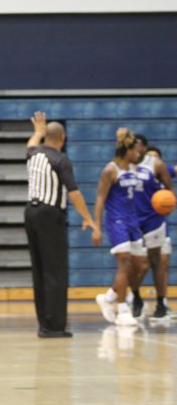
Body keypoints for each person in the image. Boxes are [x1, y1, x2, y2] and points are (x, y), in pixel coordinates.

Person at [24, 111, 98, 338]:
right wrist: (88, 218)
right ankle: (54, 326)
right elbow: (74, 192)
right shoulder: (60, 159)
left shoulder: (34, 154)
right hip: (49, 214)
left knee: (40, 270)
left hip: (30, 214)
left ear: (46, 136)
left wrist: (38, 132)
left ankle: (44, 323)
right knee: (55, 271)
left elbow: (31, 144)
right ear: (63, 138)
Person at [93, 128, 142, 327]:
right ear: (128, 151)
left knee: (140, 265)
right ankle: (122, 310)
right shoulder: (110, 170)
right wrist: (96, 227)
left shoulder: (134, 168)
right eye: (136, 151)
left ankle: (109, 297)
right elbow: (100, 198)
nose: (139, 154)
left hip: (133, 220)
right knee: (124, 263)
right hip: (117, 221)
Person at [128, 136, 174, 319]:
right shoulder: (123, 165)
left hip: (154, 219)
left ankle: (161, 303)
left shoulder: (156, 165)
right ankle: (135, 297)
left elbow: (170, 190)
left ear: (144, 147)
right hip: (132, 219)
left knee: (159, 261)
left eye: (139, 145)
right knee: (136, 263)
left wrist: (168, 204)